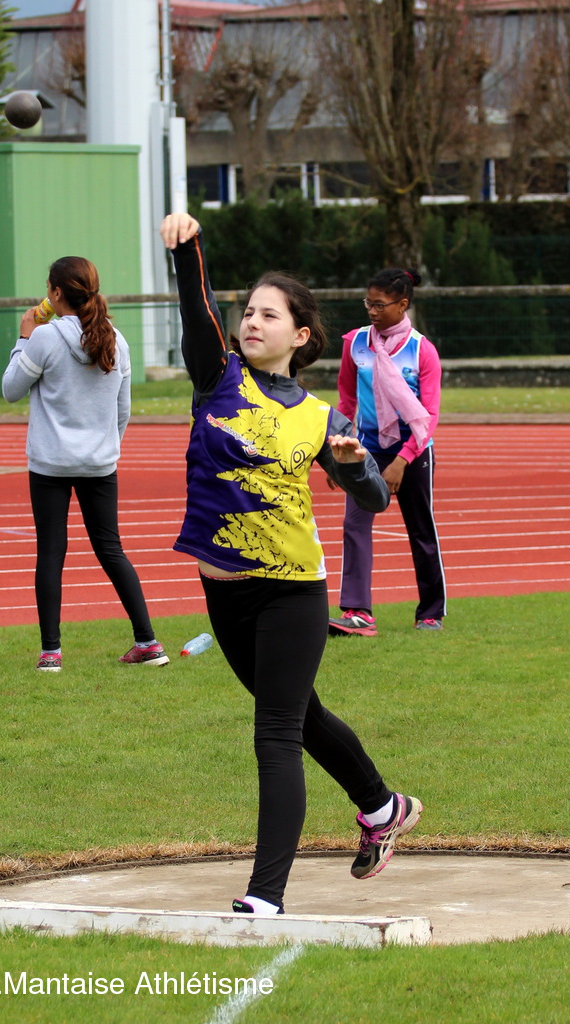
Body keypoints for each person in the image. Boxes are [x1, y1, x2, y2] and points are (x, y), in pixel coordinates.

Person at [160, 212, 422, 915]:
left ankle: (265, 897)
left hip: (291, 591)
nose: (252, 321)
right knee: (300, 714)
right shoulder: (216, 378)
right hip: (224, 592)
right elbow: (196, 312)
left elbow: (374, 498)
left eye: (269, 314)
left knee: (275, 732)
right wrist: (187, 249)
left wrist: (355, 465)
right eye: (248, 311)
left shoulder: (321, 418)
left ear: (300, 336)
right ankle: (384, 807)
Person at [2, 256, 168, 670]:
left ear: (56, 293)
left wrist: (23, 337)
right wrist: (105, 447)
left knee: (51, 551)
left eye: (48, 287)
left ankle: (51, 653)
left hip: (50, 464)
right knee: (112, 550)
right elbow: (122, 410)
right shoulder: (116, 339)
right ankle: (148, 643)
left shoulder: (44, 338)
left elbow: (10, 389)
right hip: (100, 464)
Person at [328, 267, 446, 636]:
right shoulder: (355, 343)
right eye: (369, 303)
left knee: (421, 530)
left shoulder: (422, 351)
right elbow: (346, 401)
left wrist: (401, 461)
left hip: (413, 451)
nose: (372, 311)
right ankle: (357, 612)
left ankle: (431, 613)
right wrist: (337, 455)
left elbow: (428, 416)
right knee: (354, 525)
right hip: (365, 449)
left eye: (380, 305)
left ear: (402, 304)